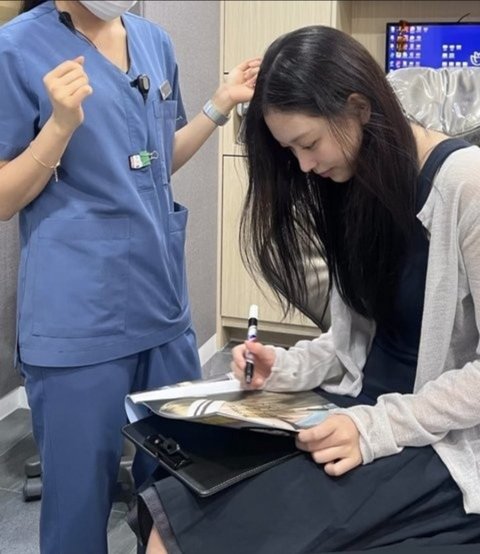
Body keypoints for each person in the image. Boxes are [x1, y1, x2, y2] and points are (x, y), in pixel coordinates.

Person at [134, 25, 480, 554]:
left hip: (428, 434)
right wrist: (283, 367)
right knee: (178, 476)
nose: (304, 166)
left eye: (309, 144)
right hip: (353, 409)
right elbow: (352, 345)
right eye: (290, 151)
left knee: (189, 532)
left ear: (358, 108)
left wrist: (375, 428)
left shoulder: (465, 185)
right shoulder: (357, 183)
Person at [0, 1, 259, 553]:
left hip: (162, 306)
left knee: (177, 493)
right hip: (78, 317)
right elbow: (3, 198)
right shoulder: (16, 48)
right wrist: (59, 127)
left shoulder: (153, 41)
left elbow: (154, 160)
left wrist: (219, 104)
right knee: (77, 508)